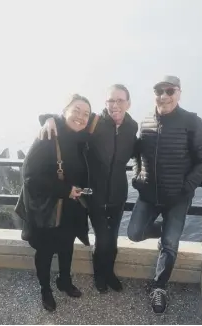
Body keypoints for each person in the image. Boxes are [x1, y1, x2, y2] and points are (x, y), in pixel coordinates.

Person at [127, 76, 202, 314]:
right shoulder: (145, 121)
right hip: (148, 193)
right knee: (134, 233)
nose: (164, 95)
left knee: (170, 244)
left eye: (169, 90)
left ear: (179, 93)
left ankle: (160, 287)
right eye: (159, 90)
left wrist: (185, 187)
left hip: (178, 197)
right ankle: (166, 236)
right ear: (153, 92)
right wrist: (138, 176)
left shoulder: (192, 121)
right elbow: (138, 154)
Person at [38, 84, 138, 293]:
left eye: (120, 100)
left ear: (129, 103)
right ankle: (100, 275)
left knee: (113, 239)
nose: (115, 105)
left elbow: (139, 151)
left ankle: (109, 272)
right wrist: (48, 118)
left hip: (119, 192)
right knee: (102, 239)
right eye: (111, 100)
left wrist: (141, 173)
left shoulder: (132, 126)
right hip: (94, 193)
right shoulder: (94, 121)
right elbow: (69, 121)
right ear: (105, 103)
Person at [16, 94, 92, 312]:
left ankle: (64, 281)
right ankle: (45, 289)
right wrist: (65, 190)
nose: (80, 116)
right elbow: (30, 176)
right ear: (64, 111)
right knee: (46, 251)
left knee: (67, 246)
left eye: (85, 113)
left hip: (70, 208)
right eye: (76, 110)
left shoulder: (80, 137)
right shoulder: (48, 136)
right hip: (47, 209)